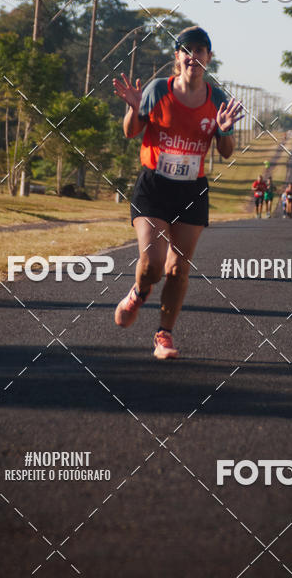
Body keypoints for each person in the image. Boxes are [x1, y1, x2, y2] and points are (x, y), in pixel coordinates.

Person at [112, 26, 243, 359]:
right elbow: (131, 132)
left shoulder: (218, 99)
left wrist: (225, 131)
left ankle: (164, 335)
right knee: (153, 265)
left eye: (199, 51)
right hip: (154, 187)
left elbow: (226, 152)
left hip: (191, 191)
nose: (193, 57)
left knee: (178, 269)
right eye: (187, 50)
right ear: (177, 57)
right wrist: (134, 109)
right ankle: (138, 293)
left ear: (208, 58)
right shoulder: (158, 89)